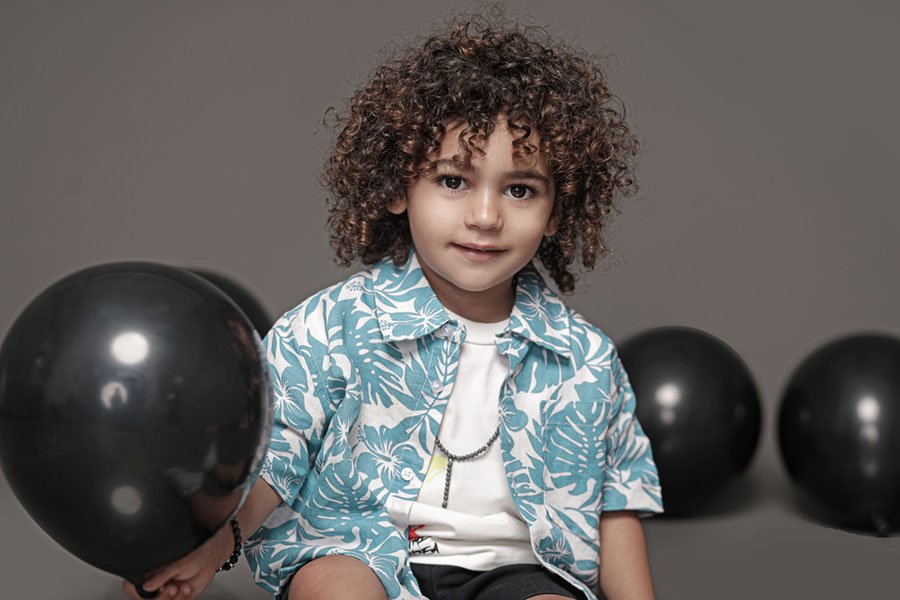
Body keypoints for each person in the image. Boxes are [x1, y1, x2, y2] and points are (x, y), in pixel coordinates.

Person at [123, 11, 663, 600]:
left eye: (519, 189)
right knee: (333, 588)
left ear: (557, 210)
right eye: (453, 181)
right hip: (358, 550)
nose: (485, 217)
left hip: (517, 569)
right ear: (399, 187)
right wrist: (212, 549)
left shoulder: (585, 358)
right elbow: (275, 459)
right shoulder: (329, 327)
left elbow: (616, 501)